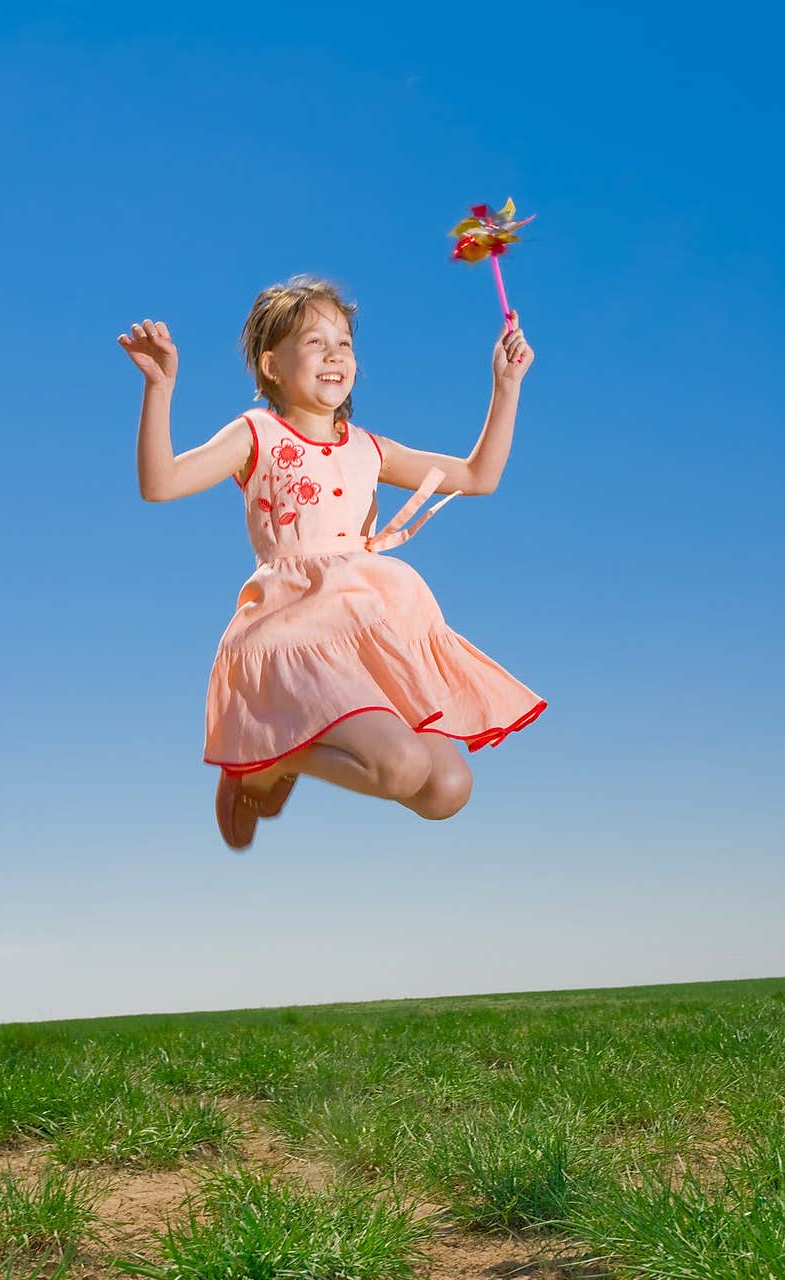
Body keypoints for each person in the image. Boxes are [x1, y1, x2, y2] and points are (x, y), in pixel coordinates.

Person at [117, 274, 548, 851]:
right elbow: (161, 483)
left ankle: (277, 759)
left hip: (370, 627)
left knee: (447, 788)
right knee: (397, 767)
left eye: (343, 342)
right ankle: (264, 767)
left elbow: (478, 476)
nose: (334, 355)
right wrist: (160, 389)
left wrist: (507, 385)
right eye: (314, 342)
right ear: (272, 366)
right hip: (296, 627)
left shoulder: (370, 447)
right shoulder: (258, 434)